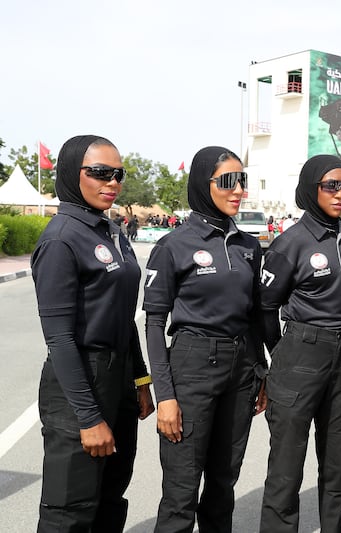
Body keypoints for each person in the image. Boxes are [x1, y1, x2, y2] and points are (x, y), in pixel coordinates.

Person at [31, 134, 155, 532]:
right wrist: (88, 418)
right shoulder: (61, 238)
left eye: (118, 173)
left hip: (119, 377)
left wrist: (140, 379)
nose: (112, 182)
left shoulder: (112, 231)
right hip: (79, 381)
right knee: (69, 511)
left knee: (109, 499)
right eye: (100, 172)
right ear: (71, 173)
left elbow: (124, 317)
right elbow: (60, 338)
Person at [143, 146, 267, 532]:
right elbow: (153, 324)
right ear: (202, 183)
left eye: (242, 181)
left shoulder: (249, 247)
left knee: (222, 486)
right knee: (181, 493)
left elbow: (254, 316)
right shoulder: (174, 246)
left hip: (240, 366)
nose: (238, 190)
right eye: (227, 181)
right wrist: (165, 396)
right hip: (192, 365)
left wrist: (260, 372)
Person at [258, 155, 341, 533]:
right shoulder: (290, 244)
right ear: (310, 188)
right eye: (330, 185)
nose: (339, 193)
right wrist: (281, 353)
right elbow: (265, 308)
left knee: (338, 462)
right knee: (286, 468)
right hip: (300, 350)